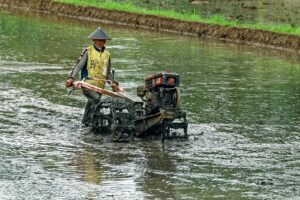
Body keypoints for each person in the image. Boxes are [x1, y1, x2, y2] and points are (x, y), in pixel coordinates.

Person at [65, 27, 118, 126]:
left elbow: (107, 72)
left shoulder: (107, 54)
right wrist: (71, 77)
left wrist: (113, 83)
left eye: (102, 40)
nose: (99, 42)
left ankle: (85, 122)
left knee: (91, 102)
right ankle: (94, 122)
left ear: (104, 42)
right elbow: (79, 65)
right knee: (96, 100)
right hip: (87, 84)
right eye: (97, 40)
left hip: (100, 86)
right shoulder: (88, 51)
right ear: (94, 40)